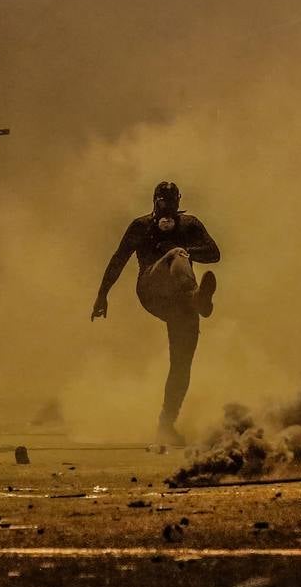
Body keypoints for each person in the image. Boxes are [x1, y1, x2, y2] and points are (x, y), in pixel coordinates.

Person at [91, 181, 221, 446]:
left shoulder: (189, 224)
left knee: (181, 364)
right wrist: (102, 294)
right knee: (176, 254)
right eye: (162, 203)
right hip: (152, 289)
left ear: (178, 203)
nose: (167, 210)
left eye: (171, 204)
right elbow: (119, 259)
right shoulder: (141, 226)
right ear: (154, 202)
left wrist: (190, 251)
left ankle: (166, 424)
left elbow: (214, 253)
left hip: (180, 304)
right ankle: (196, 296)